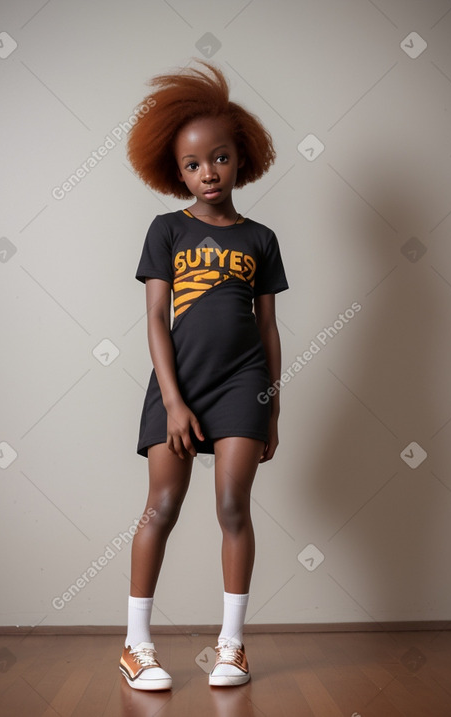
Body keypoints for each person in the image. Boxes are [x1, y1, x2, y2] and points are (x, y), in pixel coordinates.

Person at [119, 60, 288, 691]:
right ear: (176, 171)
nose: (207, 173)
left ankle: (232, 647)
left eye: (218, 158)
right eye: (192, 165)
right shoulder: (166, 229)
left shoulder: (261, 239)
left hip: (244, 382)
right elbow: (157, 320)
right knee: (161, 506)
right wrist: (173, 401)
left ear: (240, 156)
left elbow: (268, 329)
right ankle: (137, 646)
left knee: (232, 505)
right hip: (179, 385)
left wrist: (271, 407)